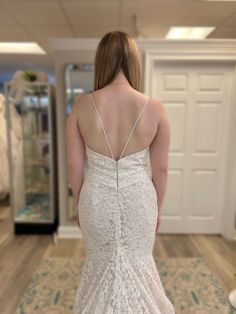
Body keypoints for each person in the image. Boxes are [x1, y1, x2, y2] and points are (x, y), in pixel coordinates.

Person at [66, 31, 175, 314]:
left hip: (96, 200)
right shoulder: (155, 108)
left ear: (101, 61)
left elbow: (75, 165)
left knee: (100, 265)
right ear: (134, 61)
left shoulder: (81, 106)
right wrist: (157, 209)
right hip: (139, 200)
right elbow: (161, 169)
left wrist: (80, 203)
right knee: (139, 264)